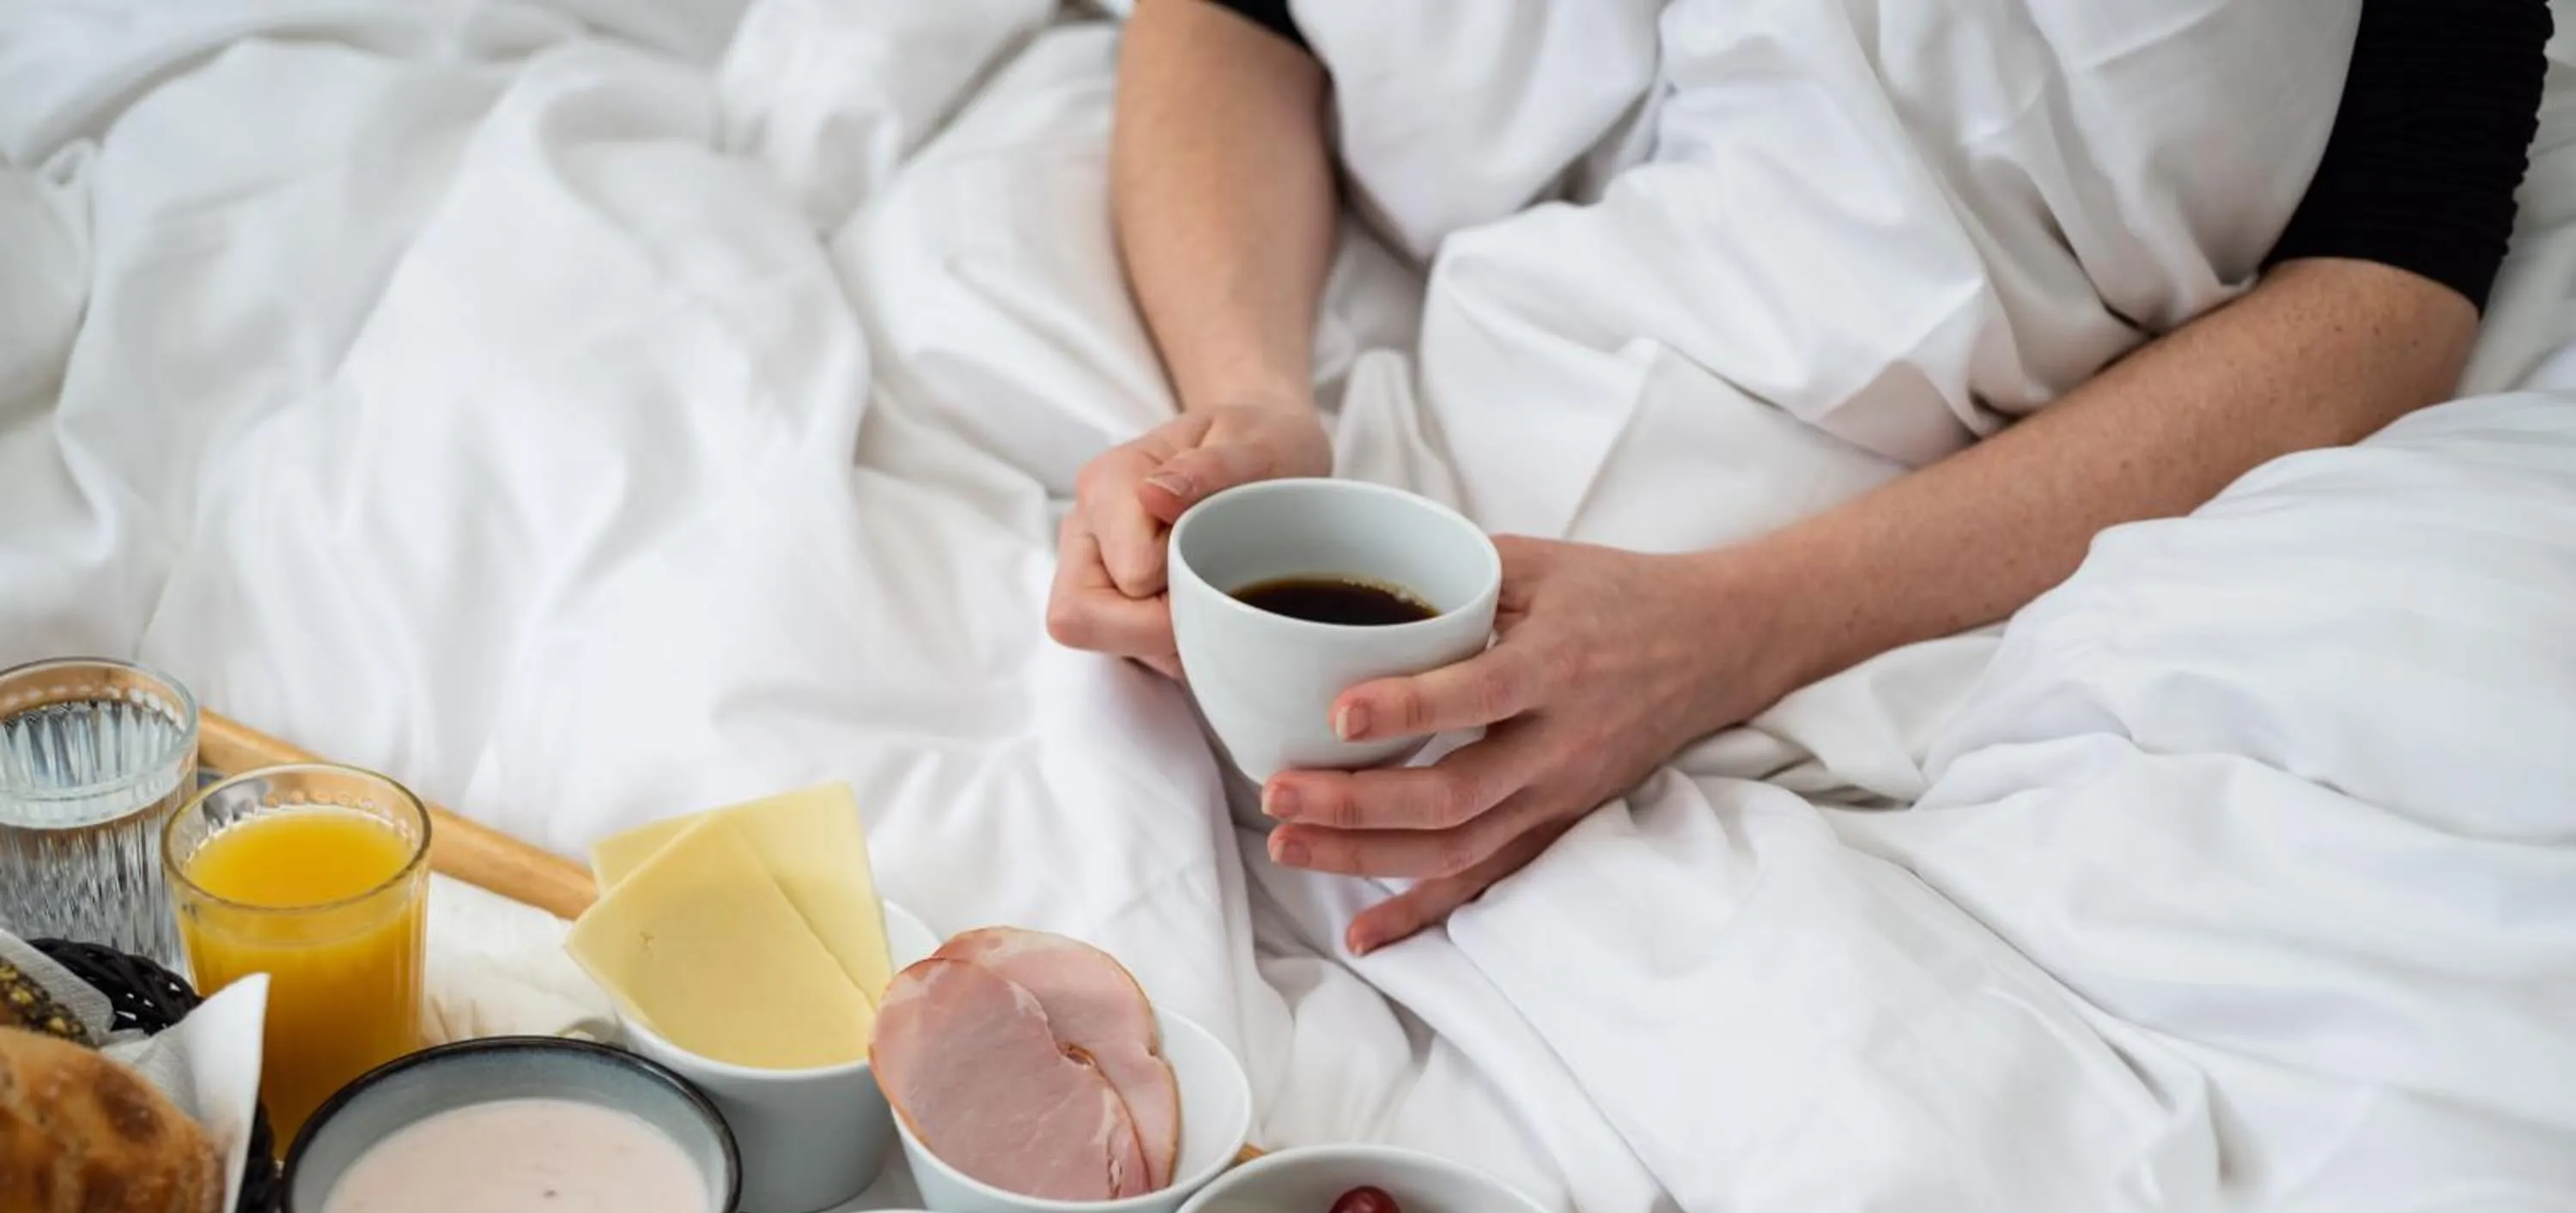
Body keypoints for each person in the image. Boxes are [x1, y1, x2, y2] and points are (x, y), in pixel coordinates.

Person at [1048, 0, 2553, 955]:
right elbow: (1243, 14)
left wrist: (1739, 628)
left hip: (1888, 546)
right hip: (1461, 336)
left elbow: (2392, 292)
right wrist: (1247, 399)